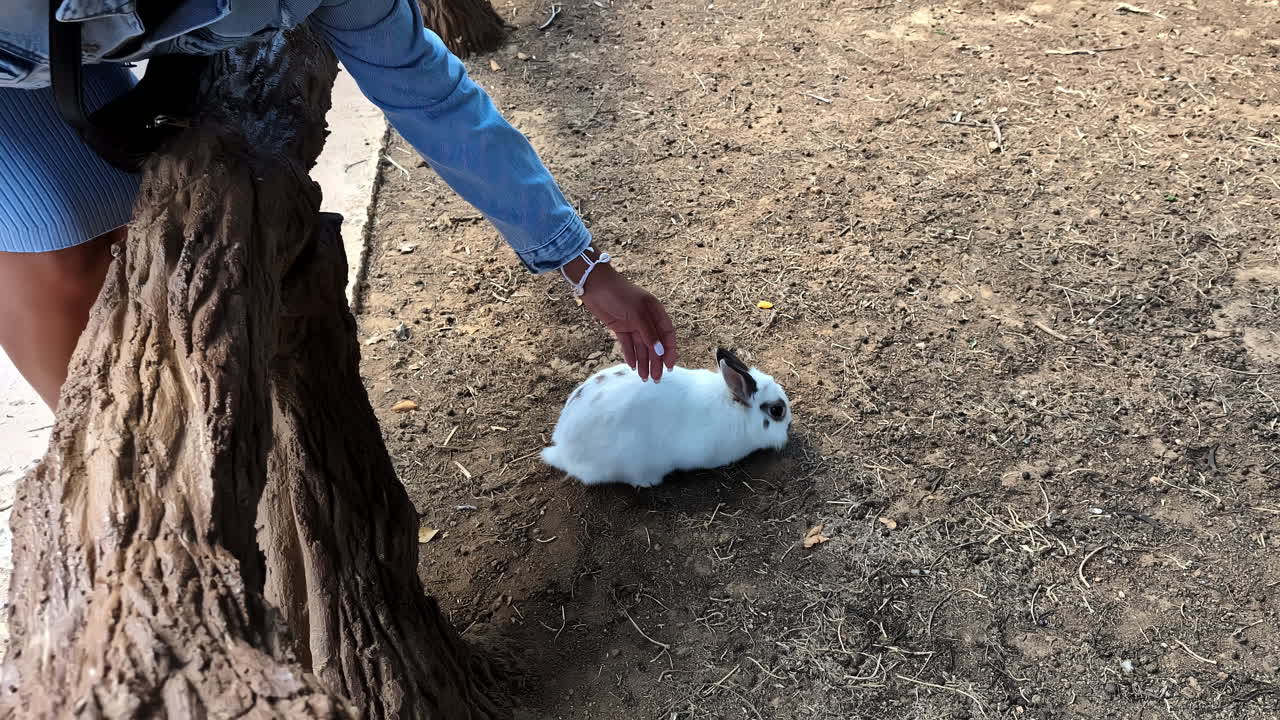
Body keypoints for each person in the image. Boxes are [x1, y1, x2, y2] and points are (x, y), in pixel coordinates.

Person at [0, 0, 679, 411]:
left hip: (79, 35)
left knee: (128, 197)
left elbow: (434, 99)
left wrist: (584, 265)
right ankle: (109, 472)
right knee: (61, 227)